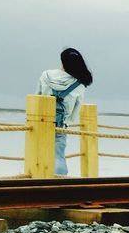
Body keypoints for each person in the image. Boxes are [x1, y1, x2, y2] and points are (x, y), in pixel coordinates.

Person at [38, 48, 93, 176]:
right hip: (61, 125)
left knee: (38, 154)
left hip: (40, 122)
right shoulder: (79, 84)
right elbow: (76, 111)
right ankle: (60, 184)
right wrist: (67, 121)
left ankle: (38, 182)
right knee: (58, 156)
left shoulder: (46, 75)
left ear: (62, 61)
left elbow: (37, 97)